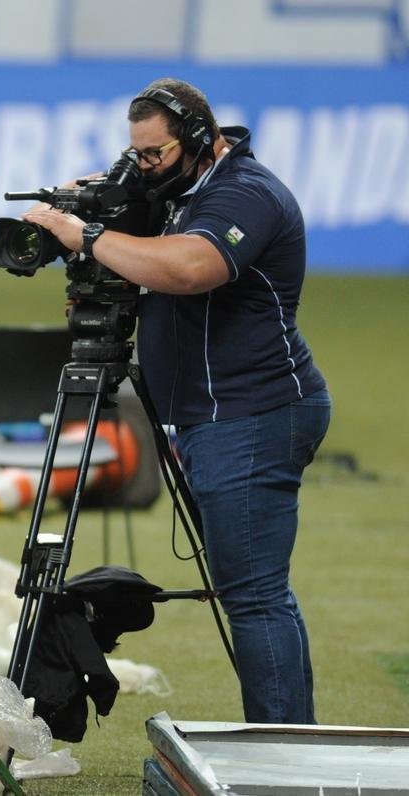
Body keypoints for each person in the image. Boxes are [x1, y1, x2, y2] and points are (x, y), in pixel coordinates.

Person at [22, 78, 330, 724]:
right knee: (255, 591)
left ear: (198, 141)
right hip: (213, 415)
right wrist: (95, 203)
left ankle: (285, 753)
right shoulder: (180, 186)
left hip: (253, 414)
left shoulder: (246, 193)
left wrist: (85, 236)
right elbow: (137, 233)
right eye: (136, 154)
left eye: (154, 154)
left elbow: (189, 269)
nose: (144, 166)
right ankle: (293, 737)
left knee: (251, 596)